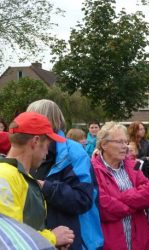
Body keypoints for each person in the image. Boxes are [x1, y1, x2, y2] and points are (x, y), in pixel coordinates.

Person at [0, 112, 75, 248]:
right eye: (47, 146)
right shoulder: (2, 176)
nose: (47, 153)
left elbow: (29, 227)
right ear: (35, 141)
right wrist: (52, 238)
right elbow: (9, 237)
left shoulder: (21, 175)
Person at [27, 99, 104, 250]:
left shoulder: (73, 152)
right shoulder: (31, 150)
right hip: (42, 240)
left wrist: (47, 188)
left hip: (75, 241)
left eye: (32, 120)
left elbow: (84, 199)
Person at [92, 121, 149, 250]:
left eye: (126, 142)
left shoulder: (132, 165)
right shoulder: (92, 170)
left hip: (139, 242)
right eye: (120, 142)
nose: (125, 146)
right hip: (111, 243)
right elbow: (103, 207)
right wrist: (134, 204)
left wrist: (120, 197)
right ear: (104, 144)